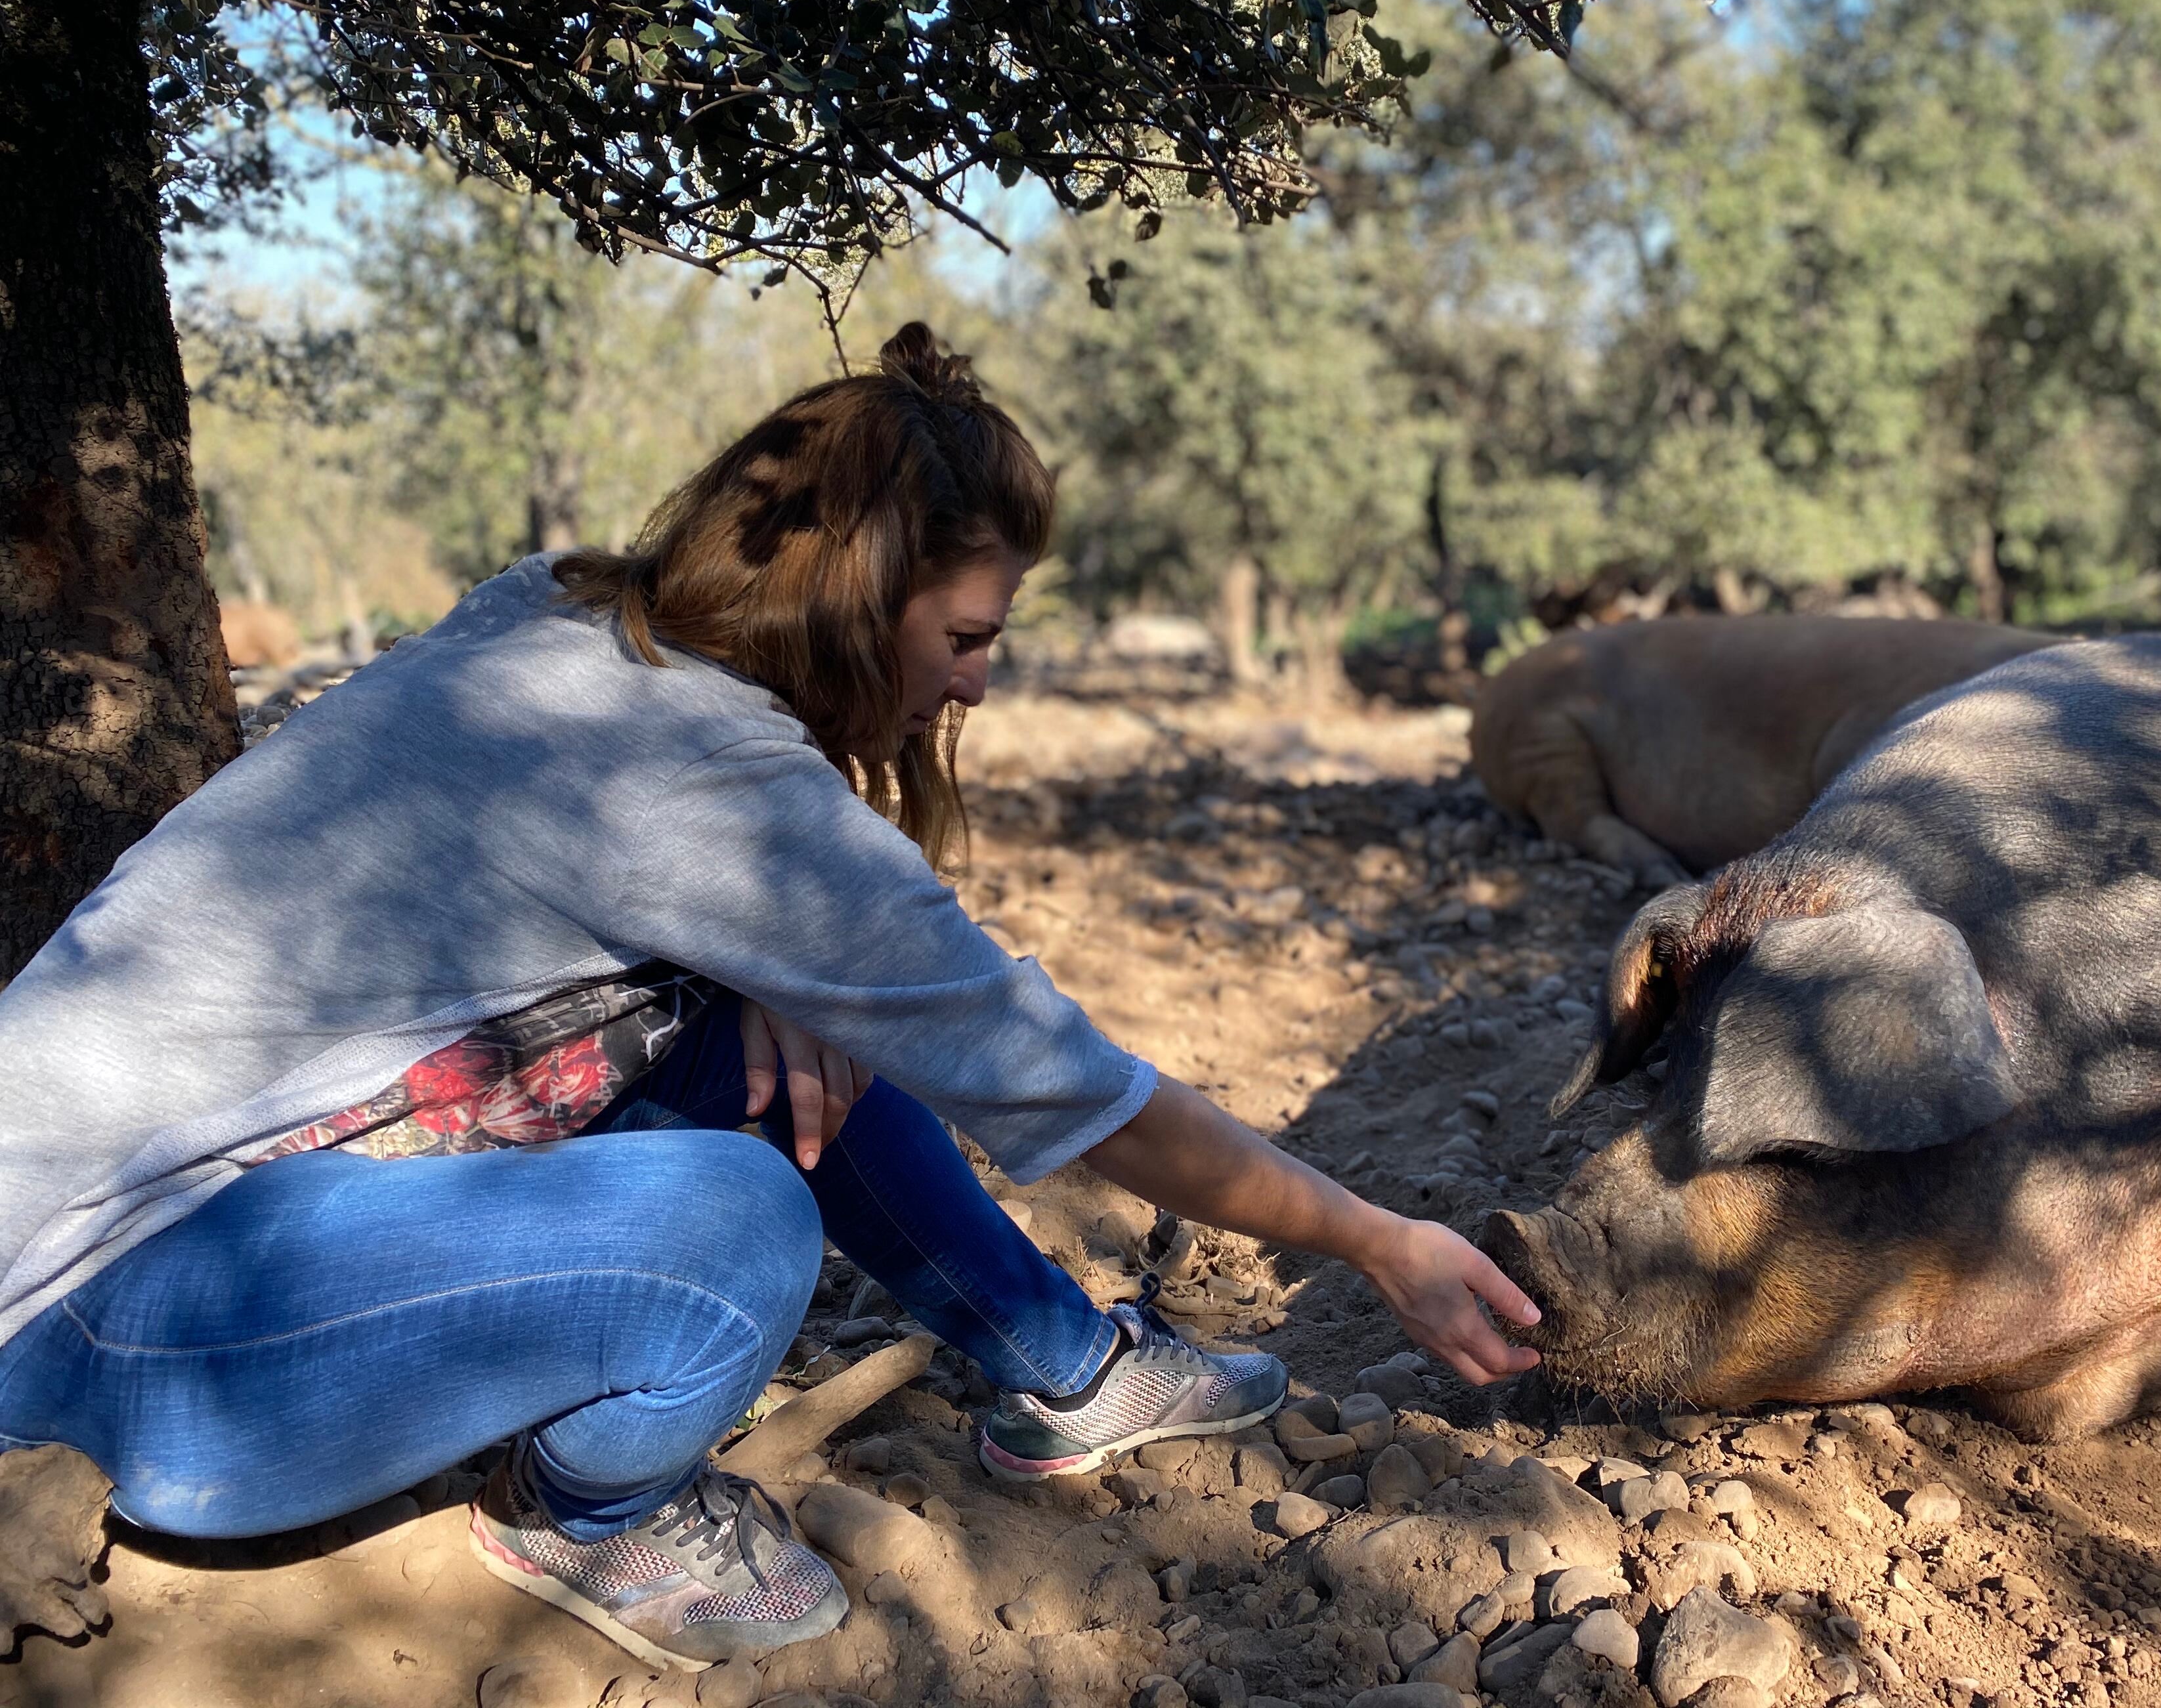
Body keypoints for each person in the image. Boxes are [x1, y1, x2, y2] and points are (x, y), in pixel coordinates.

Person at [0, 325, 1539, 1674]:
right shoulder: (714, 787)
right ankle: (588, 1516)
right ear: (856, 604)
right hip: (104, 1327)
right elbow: (1076, 1089)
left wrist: (766, 965)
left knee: (777, 1037)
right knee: (732, 1236)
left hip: (185, 1224)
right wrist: (1375, 1240)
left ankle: (1068, 1372)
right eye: (967, 639)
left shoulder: (553, 614)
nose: (979, 687)